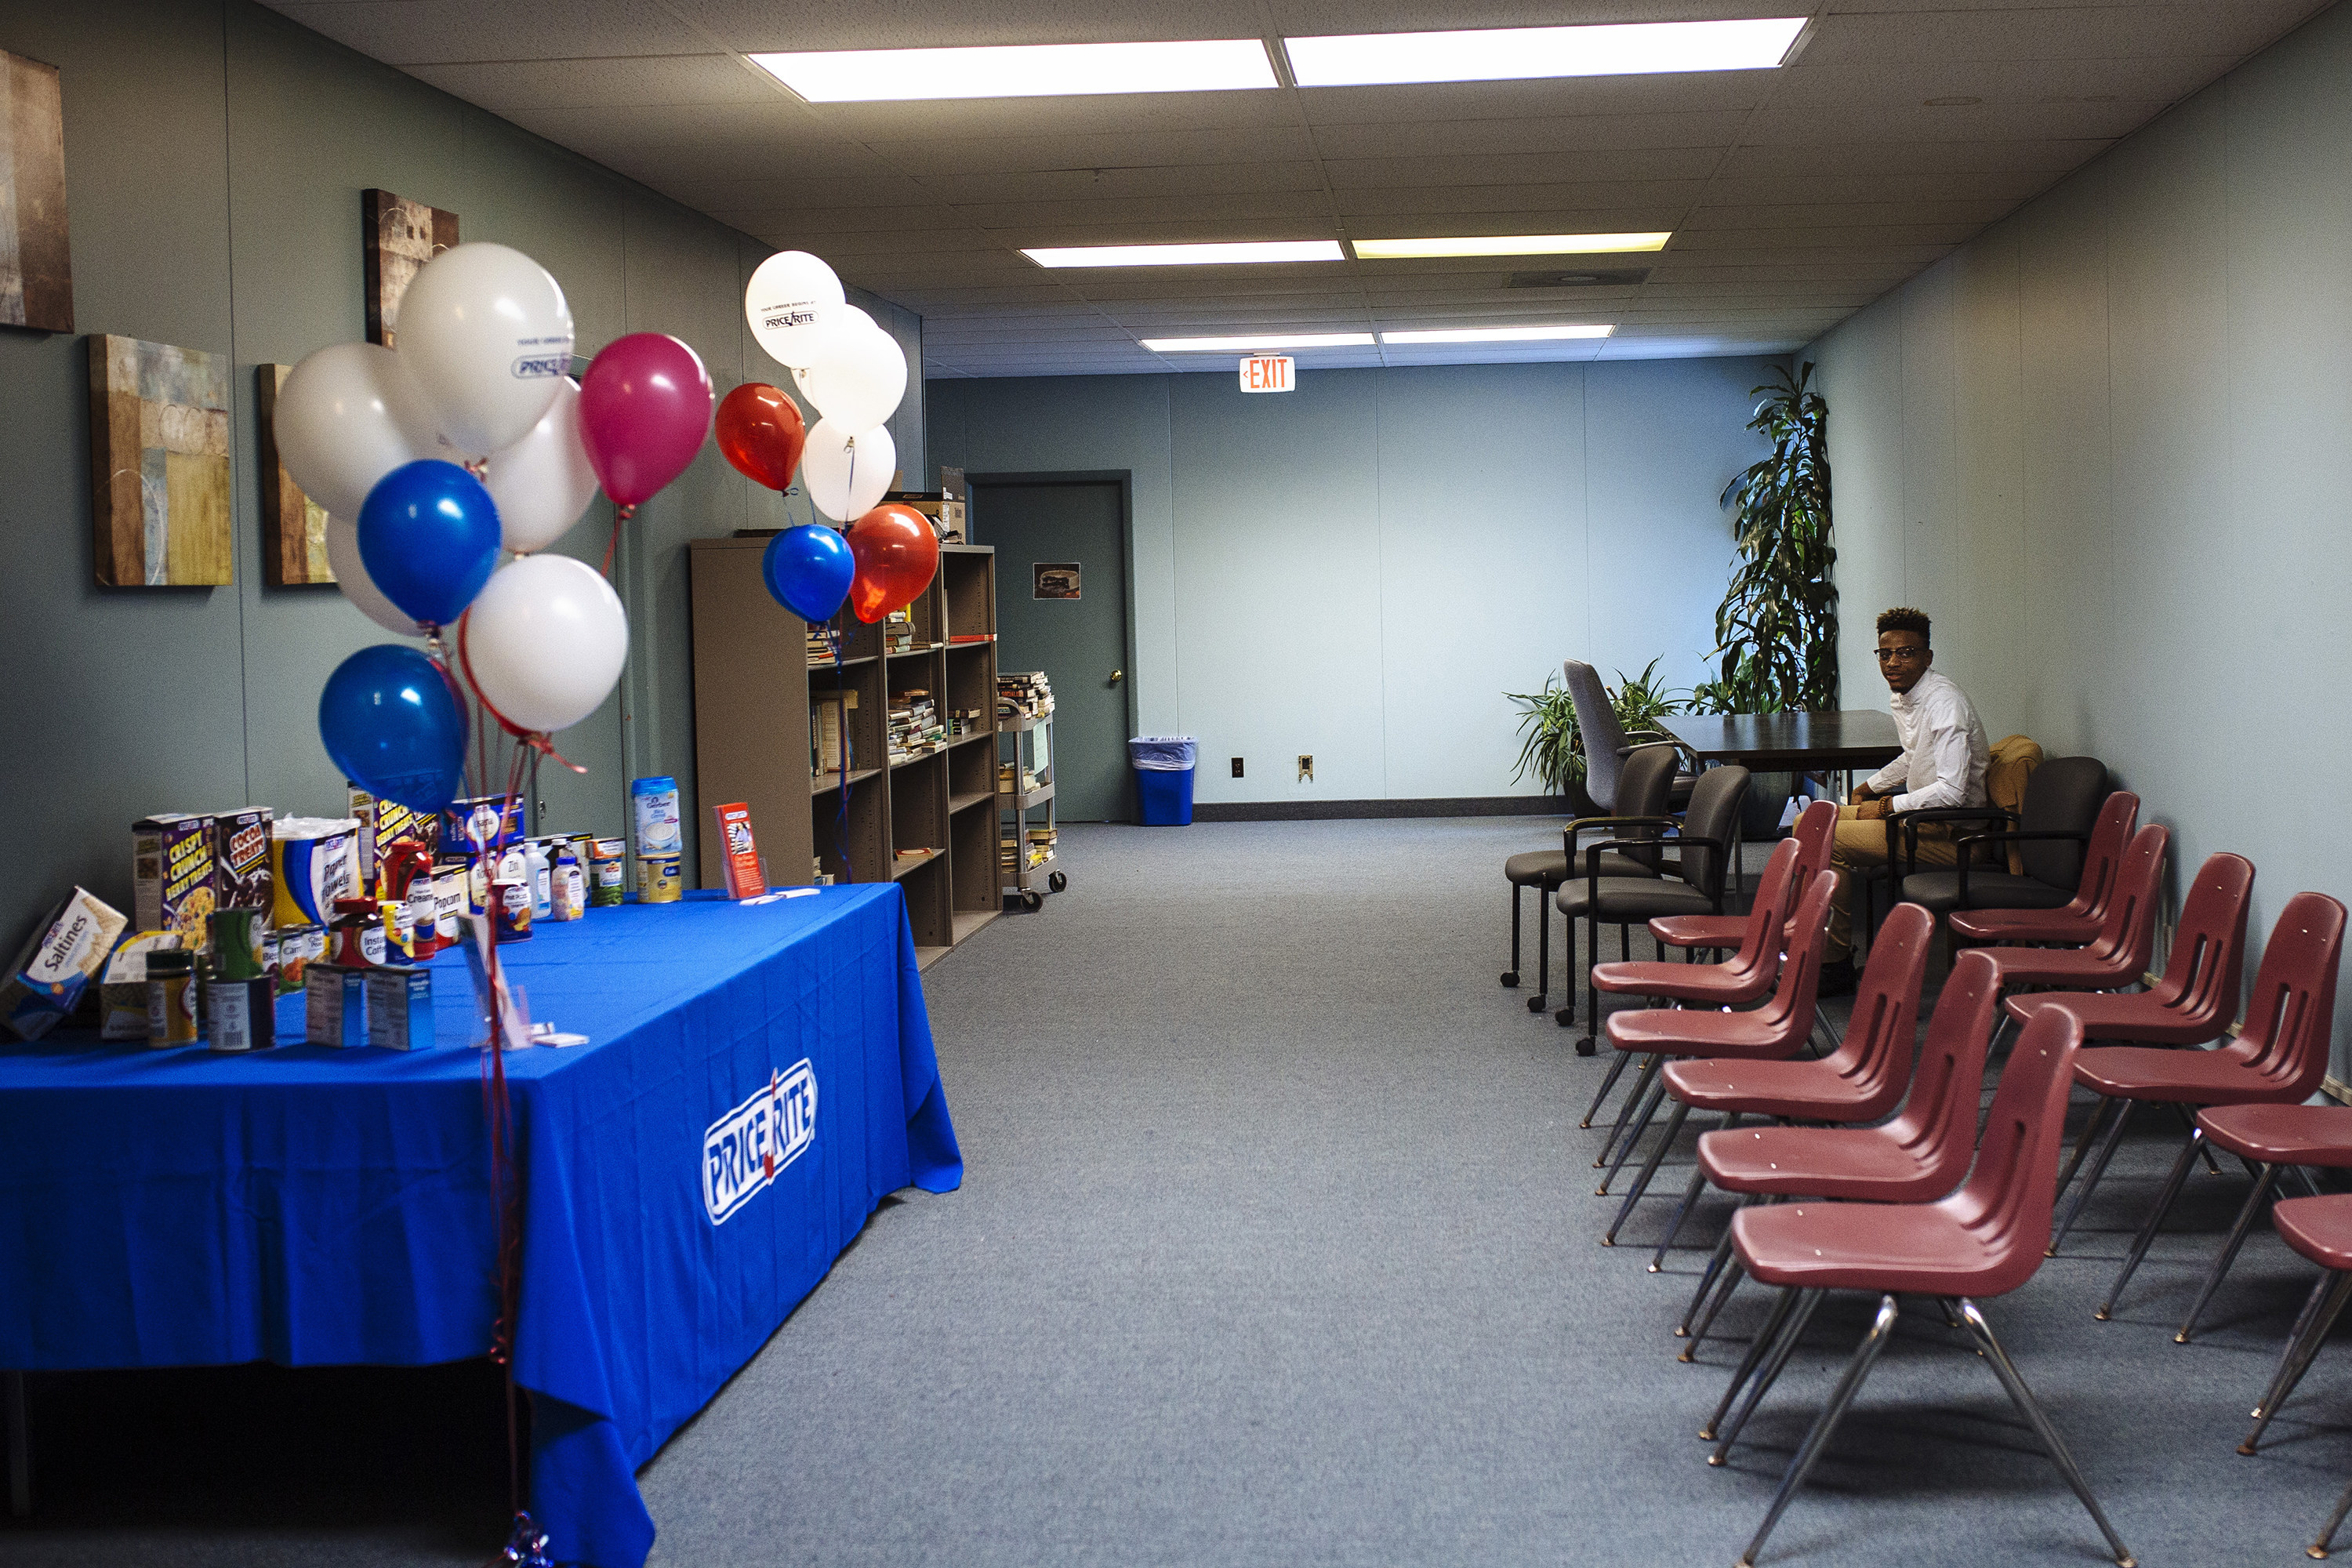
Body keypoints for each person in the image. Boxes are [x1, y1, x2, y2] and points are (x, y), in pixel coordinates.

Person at [1817, 606, 1991, 994]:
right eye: (1885, 653)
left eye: (1906, 653)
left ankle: (1834, 961)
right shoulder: (1909, 695)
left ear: (1927, 658)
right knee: (1812, 821)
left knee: (1832, 842)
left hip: (1954, 837)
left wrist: (1883, 806)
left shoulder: (1945, 704)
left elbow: (1952, 791)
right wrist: (1872, 787)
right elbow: (1914, 757)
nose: (1893, 662)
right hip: (1922, 824)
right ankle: (1810, 941)